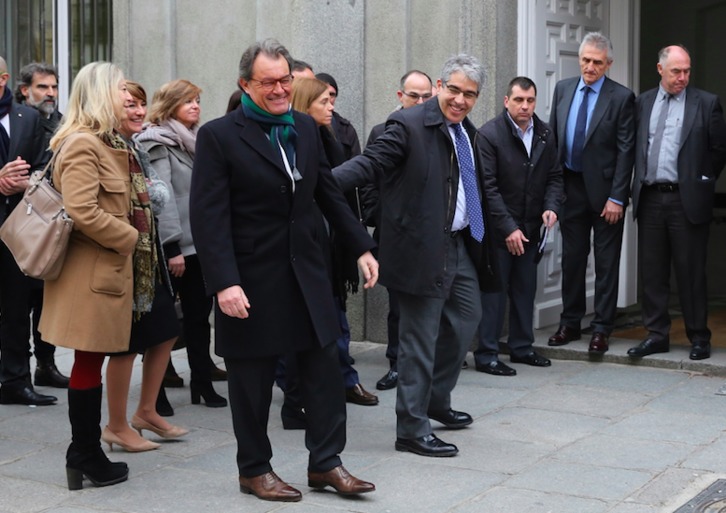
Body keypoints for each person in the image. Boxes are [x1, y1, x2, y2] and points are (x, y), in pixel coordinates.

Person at [189, 38, 378, 502]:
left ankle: (326, 464)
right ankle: (254, 469)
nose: (279, 89)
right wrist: (224, 283)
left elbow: (326, 192)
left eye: (285, 80)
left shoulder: (306, 128)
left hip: (306, 270)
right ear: (245, 84)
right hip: (250, 277)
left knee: (324, 370)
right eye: (268, 82)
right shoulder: (219, 135)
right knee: (251, 383)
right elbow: (207, 216)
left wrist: (362, 247)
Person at [334, 54, 498, 458]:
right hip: (419, 249)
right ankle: (411, 428)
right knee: (419, 342)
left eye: (470, 94)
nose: (460, 100)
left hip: (458, 244)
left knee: (467, 321)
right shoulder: (406, 125)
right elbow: (370, 164)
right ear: (440, 86)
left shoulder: (467, 132)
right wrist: (321, 186)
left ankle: (435, 400)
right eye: (454, 90)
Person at [39, 61, 137, 490]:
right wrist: (129, 236)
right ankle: (84, 452)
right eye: (119, 89)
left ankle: (85, 452)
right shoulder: (83, 144)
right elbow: (82, 210)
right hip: (93, 272)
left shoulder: (101, 141)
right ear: (101, 93)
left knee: (89, 360)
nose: (125, 95)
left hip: (102, 270)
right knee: (88, 360)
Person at [101, 80, 187, 453]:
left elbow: (154, 194)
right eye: (129, 105)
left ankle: (146, 411)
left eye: (140, 104)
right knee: (126, 346)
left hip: (149, 259)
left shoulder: (134, 145)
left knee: (166, 329)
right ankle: (116, 426)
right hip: (124, 260)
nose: (138, 111)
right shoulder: (103, 146)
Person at [628, 45, 726, 361]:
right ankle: (657, 335)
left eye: (686, 71)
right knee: (653, 272)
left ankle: (699, 336)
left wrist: (699, 180)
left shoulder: (706, 103)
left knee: (691, 272)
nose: (682, 77)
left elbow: (718, 150)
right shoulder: (642, 103)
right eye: (675, 71)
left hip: (687, 201)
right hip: (651, 198)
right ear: (660, 69)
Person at [136, 79, 227, 409]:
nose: (195, 106)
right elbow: (165, 200)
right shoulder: (156, 142)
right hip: (175, 249)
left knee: (199, 318)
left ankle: (202, 382)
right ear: (170, 104)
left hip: (200, 244)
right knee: (163, 322)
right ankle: (155, 392)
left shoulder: (196, 140)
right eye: (187, 100)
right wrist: (173, 248)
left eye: (198, 100)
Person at [289, 77, 378, 407]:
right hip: (308, 243)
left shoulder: (331, 136)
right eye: (324, 102)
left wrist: (359, 246)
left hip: (332, 240)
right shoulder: (296, 139)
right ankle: (299, 397)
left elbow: (336, 193)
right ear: (305, 104)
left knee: (334, 319)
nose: (331, 107)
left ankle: (333, 385)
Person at [547, 32, 635, 354]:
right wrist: (552, 190)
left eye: (597, 62)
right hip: (570, 188)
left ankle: (601, 328)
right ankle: (570, 323)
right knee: (572, 259)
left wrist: (617, 197)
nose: (590, 67)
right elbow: (555, 140)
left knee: (606, 262)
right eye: (585, 60)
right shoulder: (563, 89)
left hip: (605, 195)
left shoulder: (622, 97)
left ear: (608, 64)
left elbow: (627, 150)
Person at [474, 77, 563, 376]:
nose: (525, 106)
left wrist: (551, 207)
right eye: (519, 100)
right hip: (499, 231)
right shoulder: (489, 134)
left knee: (526, 290)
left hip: (530, 228)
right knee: (494, 294)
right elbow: (488, 188)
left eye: (530, 101)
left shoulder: (545, 133)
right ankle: (486, 354)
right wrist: (509, 228)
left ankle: (522, 348)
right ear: (506, 101)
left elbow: (554, 176)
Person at [363, 69, 435, 391]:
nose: (420, 102)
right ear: (400, 96)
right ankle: (396, 364)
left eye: (425, 96)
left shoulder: (441, 129)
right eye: (413, 96)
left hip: (432, 235)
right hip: (394, 235)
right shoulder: (383, 132)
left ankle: (427, 364)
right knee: (397, 307)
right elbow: (367, 184)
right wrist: (385, 218)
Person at [0, 56, 57, 406]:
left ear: (4, 79)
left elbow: (44, 166)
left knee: (17, 307)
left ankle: (15, 380)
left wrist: (21, 181)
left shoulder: (28, 118)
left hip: (18, 226)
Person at [13, 61, 69, 390]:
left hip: (53, 222)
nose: (50, 94)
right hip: (22, 220)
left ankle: (45, 364)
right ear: (25, 90)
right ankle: (18, 367)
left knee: (46, 298)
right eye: (42, 87)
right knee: (18, 301)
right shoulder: (20, 122)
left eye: (53, 87)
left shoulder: (62, 122)